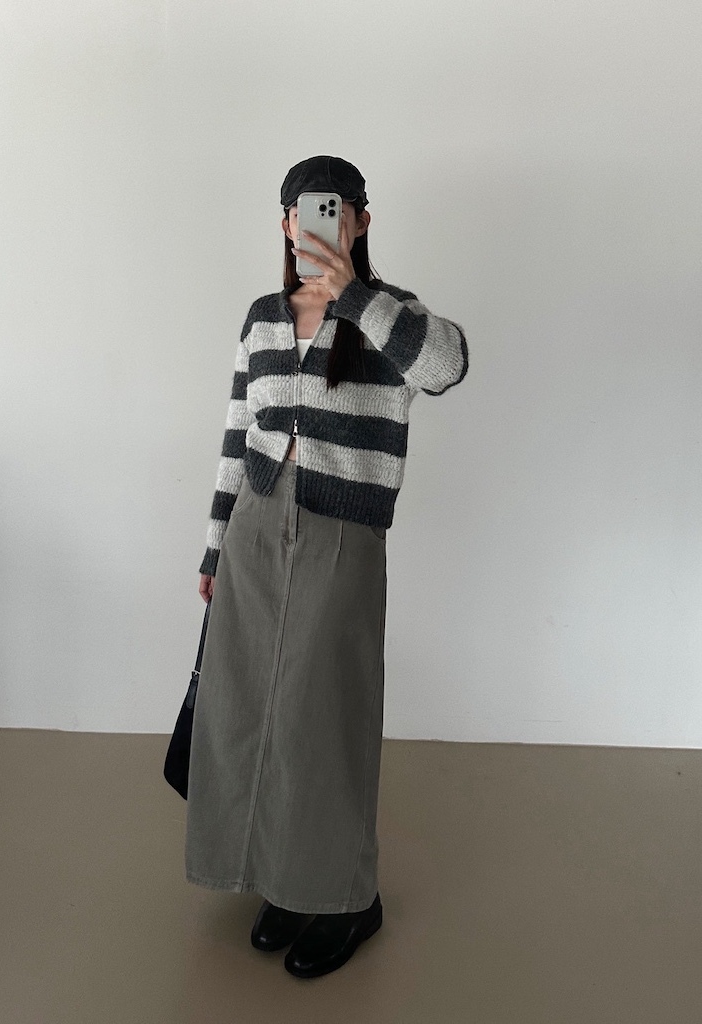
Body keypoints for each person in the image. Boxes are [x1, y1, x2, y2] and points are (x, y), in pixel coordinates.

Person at [186, 155, 468, 979]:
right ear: (285, 225)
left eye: (334, 208)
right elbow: (238, 432)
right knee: (249, 710)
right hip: (255, 526)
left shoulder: (391, 317)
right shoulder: (262, 318)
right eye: (303, 211)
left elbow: (447, 367)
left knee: (324, 717)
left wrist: (355, 298)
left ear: (360, 220)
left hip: (343, 531)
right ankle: (285, 878)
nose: (316, 222)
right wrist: (215, 544)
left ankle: (347, 897)